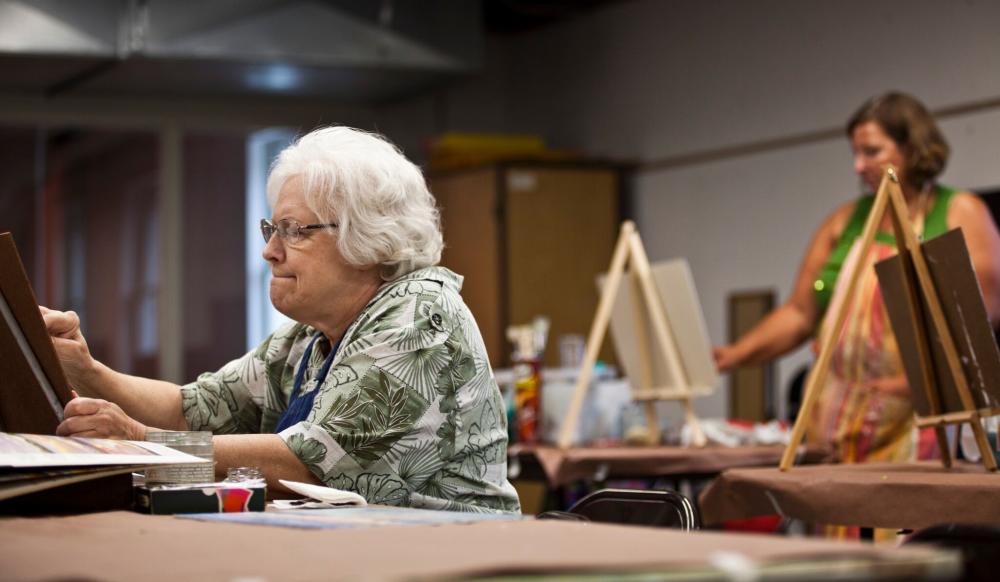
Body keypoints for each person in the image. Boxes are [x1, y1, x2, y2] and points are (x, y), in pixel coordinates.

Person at [44, 126, 521, 513]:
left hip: (451, 562)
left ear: (370, 239)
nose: (270, 251)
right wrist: (87, 371)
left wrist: (140, 443)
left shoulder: (419, 319)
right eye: (273, 228)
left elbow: (309, 463)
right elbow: (196, 409)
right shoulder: (311, 338)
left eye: (294, 231)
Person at [714, 91, 1000, 465]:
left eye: (872, 151)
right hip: (841, 422)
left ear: (911, 148)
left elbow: (976, 324)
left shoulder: (958, 211)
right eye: (855, 153)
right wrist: (734, 355)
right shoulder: (845, 222)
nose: (858, 165)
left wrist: (911, 386)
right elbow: (800, 313)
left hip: (921, 422)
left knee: (906, 521)